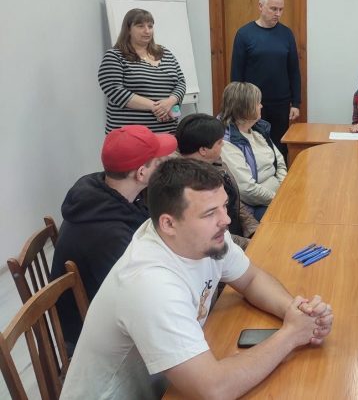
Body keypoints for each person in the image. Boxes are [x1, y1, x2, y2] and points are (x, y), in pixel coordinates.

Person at [60, 158, 334, 399]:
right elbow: (214, 389)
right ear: (168, 223)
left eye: (223, 206)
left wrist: (297, 312)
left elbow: (251, 279)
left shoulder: (203, 236)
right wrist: (290, 335)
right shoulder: (150, 284)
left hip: (169, 383)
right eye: (210, 213)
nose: (226, 220)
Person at [50, 125, 177, 350]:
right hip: (99, 340)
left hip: (110, 312)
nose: (166, 166)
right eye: (160, 163)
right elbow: (140, 300)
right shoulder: (109, 237)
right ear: (141, 173)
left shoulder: (103, 193)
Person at [230, 0, 301, 159]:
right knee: (254, 148)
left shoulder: (286, 34)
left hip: (281, 103)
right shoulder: (244, 34)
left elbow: (294, 70)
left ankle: (281, 176)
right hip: (252, 104)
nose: (278, 14)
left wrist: (296, 103)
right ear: (260, 6)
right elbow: (236, 73)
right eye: (273, 9)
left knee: (279, 147)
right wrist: (237, 104)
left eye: (281, 9)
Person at [175, 113, 259, 249]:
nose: (223, 144)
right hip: (222, 246)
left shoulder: (215, 161)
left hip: (236, 233)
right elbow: (213, 235)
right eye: (219, 142)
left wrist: (254, 229)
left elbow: (234, 200)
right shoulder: (190, 185)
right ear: (203, 150)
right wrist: (251, 244)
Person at [98, 8, 186, 134]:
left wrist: (170, 103)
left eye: (150, 26)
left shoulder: (165, 53)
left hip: (168, 132)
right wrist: (156, 107)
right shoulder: (115, 56)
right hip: (130, 136)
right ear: (128, 29)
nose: (147, 31)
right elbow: (114, 90)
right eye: (140, 26)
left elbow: (181, 83)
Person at [219, 82, 287, 221]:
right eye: (257, 103)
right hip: (256, 206)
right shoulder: (227, 142)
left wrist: (284, 188)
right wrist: (279, 198)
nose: (261, 106)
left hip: (278, 195)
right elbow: (247, 190)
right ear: (244, 107)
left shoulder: (258, 129)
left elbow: (279, 161)